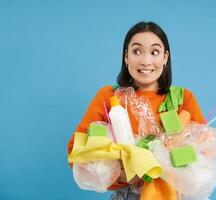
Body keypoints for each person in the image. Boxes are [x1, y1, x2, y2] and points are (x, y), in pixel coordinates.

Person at [68, 21, 206, 200]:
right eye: (136, 51)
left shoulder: (183, 99)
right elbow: (76, 151)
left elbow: (206, 153)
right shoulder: (110, 98)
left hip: (175, 194)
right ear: (126, 57)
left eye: (154, 52)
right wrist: (121, 176)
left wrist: (177, 154)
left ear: (165, 58)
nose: (146, 61)